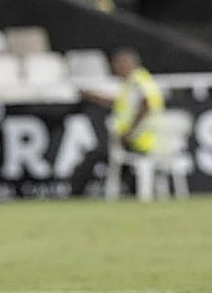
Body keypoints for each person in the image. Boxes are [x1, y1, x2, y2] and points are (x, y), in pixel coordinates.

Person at [70, 49, 165, 195]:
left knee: (95, 156)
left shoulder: (138, 82)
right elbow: (120, 104)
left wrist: (129, 133)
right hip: (141, 141)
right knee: (110, 159)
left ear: (127, 64)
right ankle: (137, 192)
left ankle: (74, 194)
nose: (114, 68)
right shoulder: (136, 82)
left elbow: (146, 106)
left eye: (117, 64)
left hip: (140, 142)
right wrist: (92, 96)